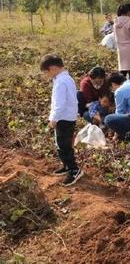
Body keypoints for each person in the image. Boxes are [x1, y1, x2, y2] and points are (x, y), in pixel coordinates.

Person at [40, 54, 83, 186]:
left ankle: (74, 169)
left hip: (63, 118)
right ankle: (66, 165)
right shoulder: (65, 78)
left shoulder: (61, 82)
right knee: (62, 143)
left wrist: (53, 119)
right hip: (67, 116)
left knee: (63, 145)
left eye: (46, 72)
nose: (46, 75)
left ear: (52, 68)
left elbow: (60, 103)